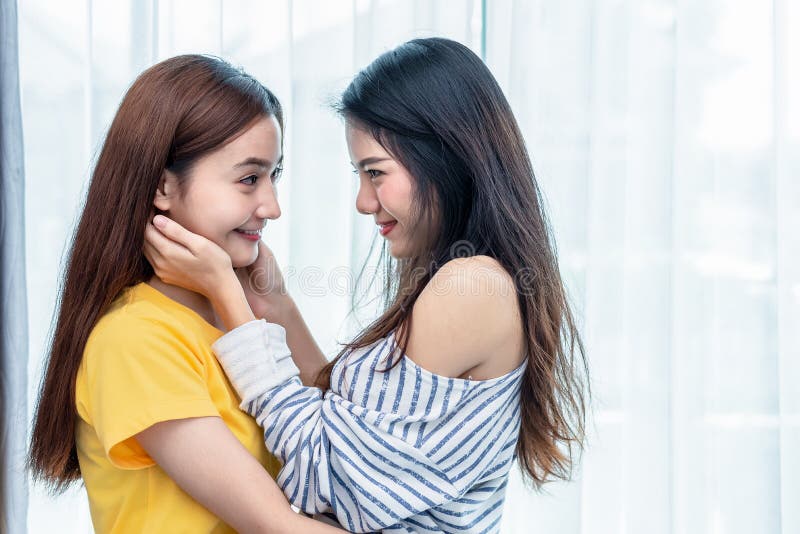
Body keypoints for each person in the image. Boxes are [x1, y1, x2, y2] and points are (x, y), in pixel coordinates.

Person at [145, 37, 590, 533]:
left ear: (443, 157)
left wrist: (228, 297)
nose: (363, 200)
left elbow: (332, 482)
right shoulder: (465, 280)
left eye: (375, 172)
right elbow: (345, 428)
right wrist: (275, 304)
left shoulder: (471, 286)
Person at [28, 54, 343, 534]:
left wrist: (274, 301)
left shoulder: (232, 321)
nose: (272, 207)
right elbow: (279, 527)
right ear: (162, 186)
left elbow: (342, 444)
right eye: (249, 179)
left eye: (274, 176)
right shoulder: (136, 340)